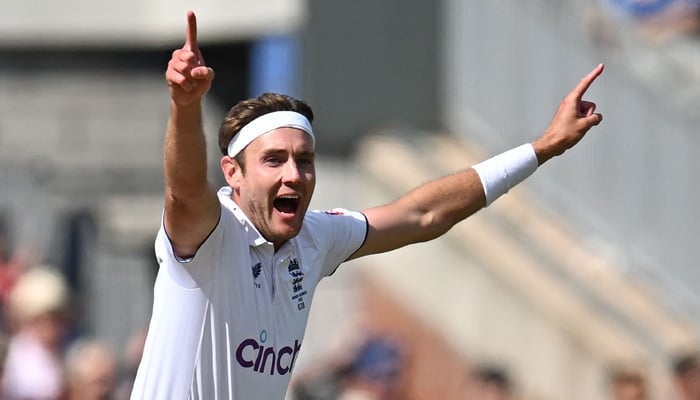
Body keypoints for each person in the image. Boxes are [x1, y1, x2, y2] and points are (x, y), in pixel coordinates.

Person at [130, 10, 605, 399]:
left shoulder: (315, 238)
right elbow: (184, 188)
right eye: (273, 160)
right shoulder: (211, 236)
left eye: (304, 160)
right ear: (233, 174)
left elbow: (424, 214)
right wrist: (185, 105)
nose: (294, 174)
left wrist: (540, 149)